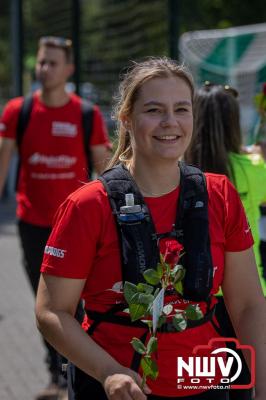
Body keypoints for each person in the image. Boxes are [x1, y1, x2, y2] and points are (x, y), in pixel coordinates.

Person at [35, 57, 266, 400]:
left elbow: (248, 304)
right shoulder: (88, 205)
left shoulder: (220, 195)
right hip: (117, 386)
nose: (170, 122)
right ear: (126, 118)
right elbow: (51, 311)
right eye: (154, 110)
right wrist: (108, 372)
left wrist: (260, 389)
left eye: (181, 109)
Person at [0, 36, 111, 399]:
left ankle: (81, 373)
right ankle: (57, 376)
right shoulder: (19, 111)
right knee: (45, 304)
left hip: (78, 226)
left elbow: (105, 168)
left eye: (51, 63)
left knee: (79, 304)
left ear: (68, 69)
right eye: (41, 62)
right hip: (32, 224)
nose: (43, 69)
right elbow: (2, 165)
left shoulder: (86, 114)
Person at [185, 82, 266, 400]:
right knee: (243, 386)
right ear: (234, 124)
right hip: (248, 296)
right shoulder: (254, 170)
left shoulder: (180, 173)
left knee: (207, 387)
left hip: (198, 296)